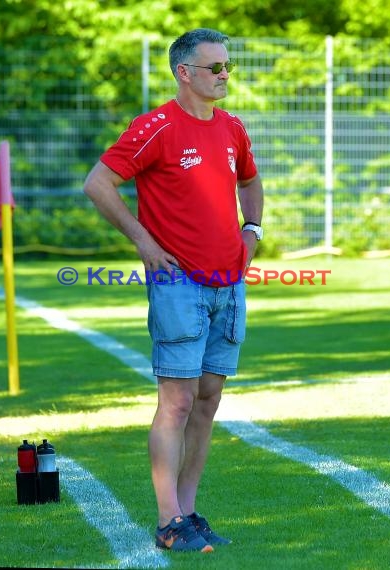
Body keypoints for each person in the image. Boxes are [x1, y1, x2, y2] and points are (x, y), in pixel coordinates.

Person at [84, 28, 264, 553]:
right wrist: (142, 241)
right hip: (177, 282)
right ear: (184, 72)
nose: (225, 75)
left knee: (208, 399)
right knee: (177, 402)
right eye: (215, 68)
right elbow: (98, 182)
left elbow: (250, 181)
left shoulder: (232, 127)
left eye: (227, 66)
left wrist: (252, 231)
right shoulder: (155, 127)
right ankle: (168, 522)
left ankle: (187, 513)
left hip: (229, 282)